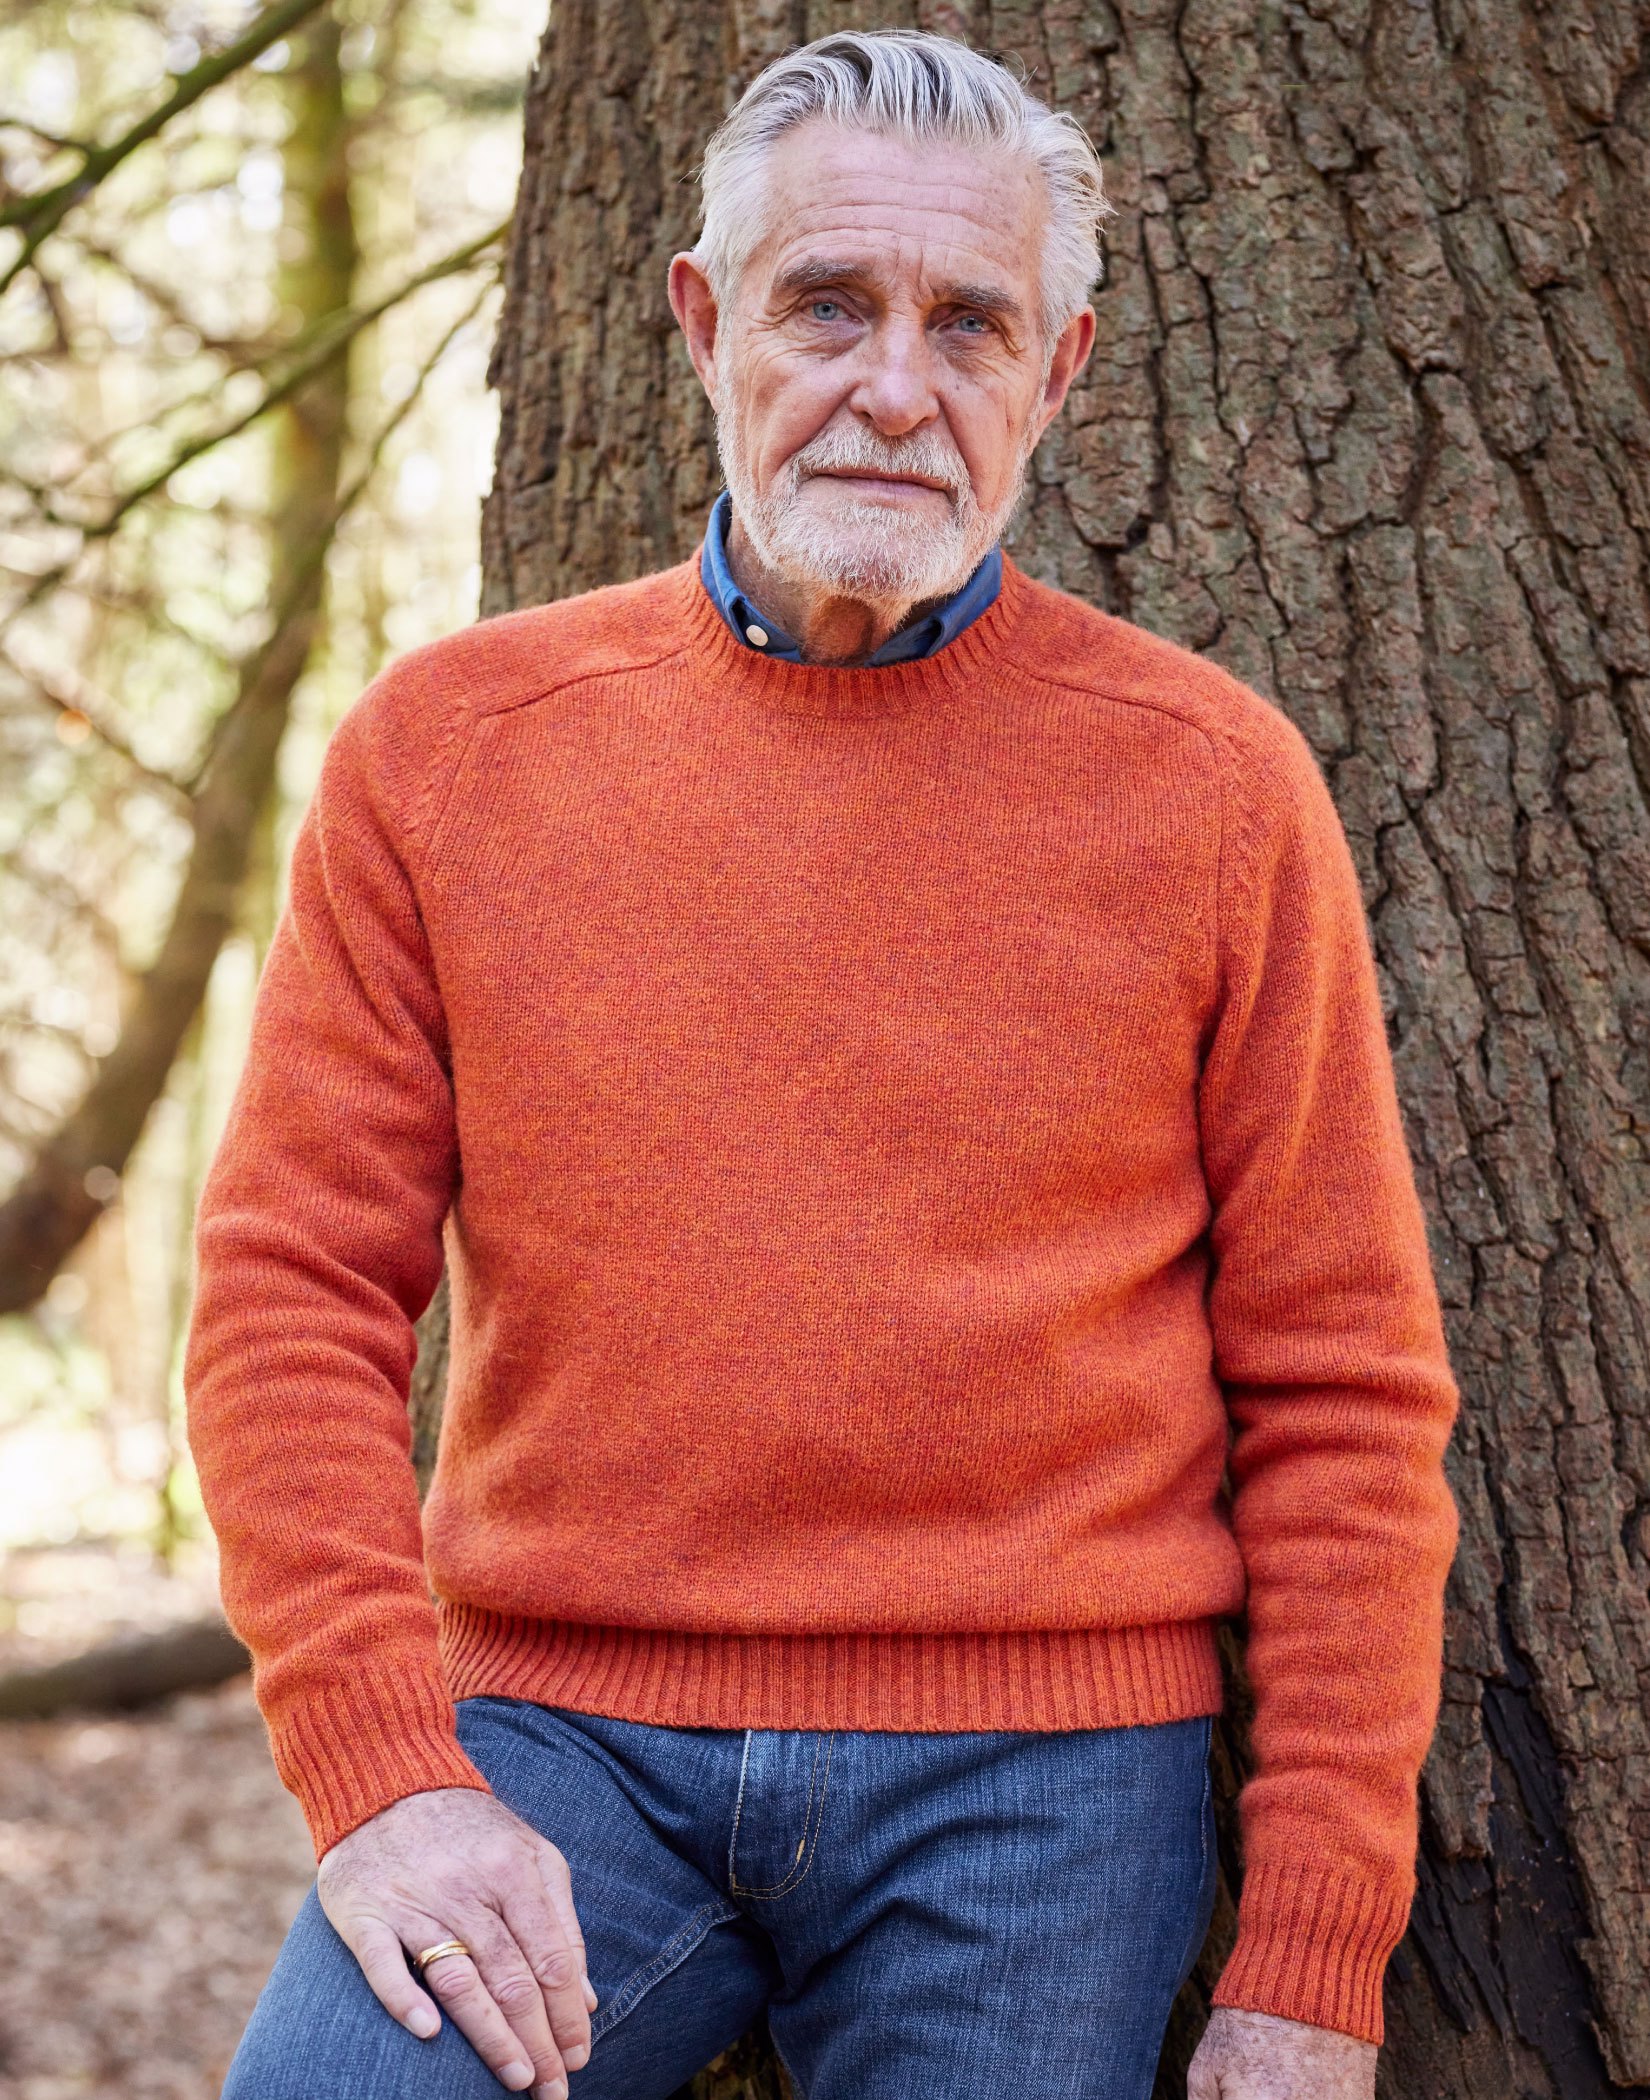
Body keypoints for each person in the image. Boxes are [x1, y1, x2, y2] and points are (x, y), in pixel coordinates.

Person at [186, 29, 1460, 2100]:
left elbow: (1346, 1388)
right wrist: (379, 1776)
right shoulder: (450, 754)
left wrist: (1310, 1956)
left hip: (1037, 1775)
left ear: (1059, 374)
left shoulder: (1213, 791)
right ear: (706, 323)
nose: (896, 385)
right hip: (555, 1736)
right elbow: (286, 1296)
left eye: (971, 323)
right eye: (829, 305)